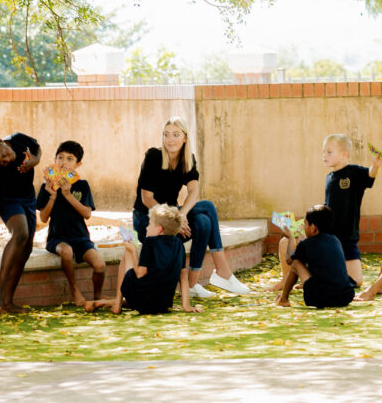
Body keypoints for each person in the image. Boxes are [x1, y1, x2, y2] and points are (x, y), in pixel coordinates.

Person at [132, 116, 250, 298]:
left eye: (175, 135)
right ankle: (222, 273)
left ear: (185, 137)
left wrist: (181, 215)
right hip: (148, 218)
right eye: (166, 135)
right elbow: (147, 199)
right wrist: (173, 219)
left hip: (173, 214)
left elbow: (193, 193)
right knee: (207, 208)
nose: (170, 139)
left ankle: (193, 283)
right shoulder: (153, 156)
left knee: (204, 220)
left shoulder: (188, 160)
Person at [85, 204, 201, 314]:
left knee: (128, 255)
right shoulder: (179, 245)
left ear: (159, 229)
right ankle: (107, 303)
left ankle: (117, 305)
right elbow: (183, 277)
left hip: (142, 300)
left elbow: (140, 274)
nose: (146, 227)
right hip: (162, 304)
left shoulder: (150, 242)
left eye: (150, 224)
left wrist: (133, 251)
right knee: (147, 289)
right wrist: (186, 306)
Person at [0, 133, 41, 313]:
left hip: (28, 199)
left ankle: (7, 303)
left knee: (26, 248)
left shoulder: (20, 139)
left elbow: (37, 147)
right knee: (21, 233)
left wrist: (35, 161)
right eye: (2, 162)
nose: (7, 160)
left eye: (4, 154)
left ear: (1, 142)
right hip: (9, 202)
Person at [38, 140, 105, 306]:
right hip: (57, 238)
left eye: (69, 159)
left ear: (78, 164)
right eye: (60, 158)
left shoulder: (82, 185)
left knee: (100, 266)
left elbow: (87, 214)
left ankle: (98, 298)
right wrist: (53, 195)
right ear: (55, 160)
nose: (64, 162)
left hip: (81, 238)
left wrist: (67, 194)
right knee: (66, 252)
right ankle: (74, 290)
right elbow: (43, 218)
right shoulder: (46, 186)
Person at [321, 133, 382, 287]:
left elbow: (370, 175)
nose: (324, 155)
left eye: (329, 152)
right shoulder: (329, 177)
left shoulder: (353, 172)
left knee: (357, 281)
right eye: (323, 151)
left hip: (347, 235)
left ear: (344, 154)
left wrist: (375, 166)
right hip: (329, 234)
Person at [275, 205, 356, 308]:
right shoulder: (335, 240)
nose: (304, 228)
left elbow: (290, 261)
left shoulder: (306, 243)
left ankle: (283, 299)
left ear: (313, 228)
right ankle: (284, 298)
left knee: (296, 263)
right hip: (346, 297)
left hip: (320, 298)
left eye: (305, 224)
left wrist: (291, 238)